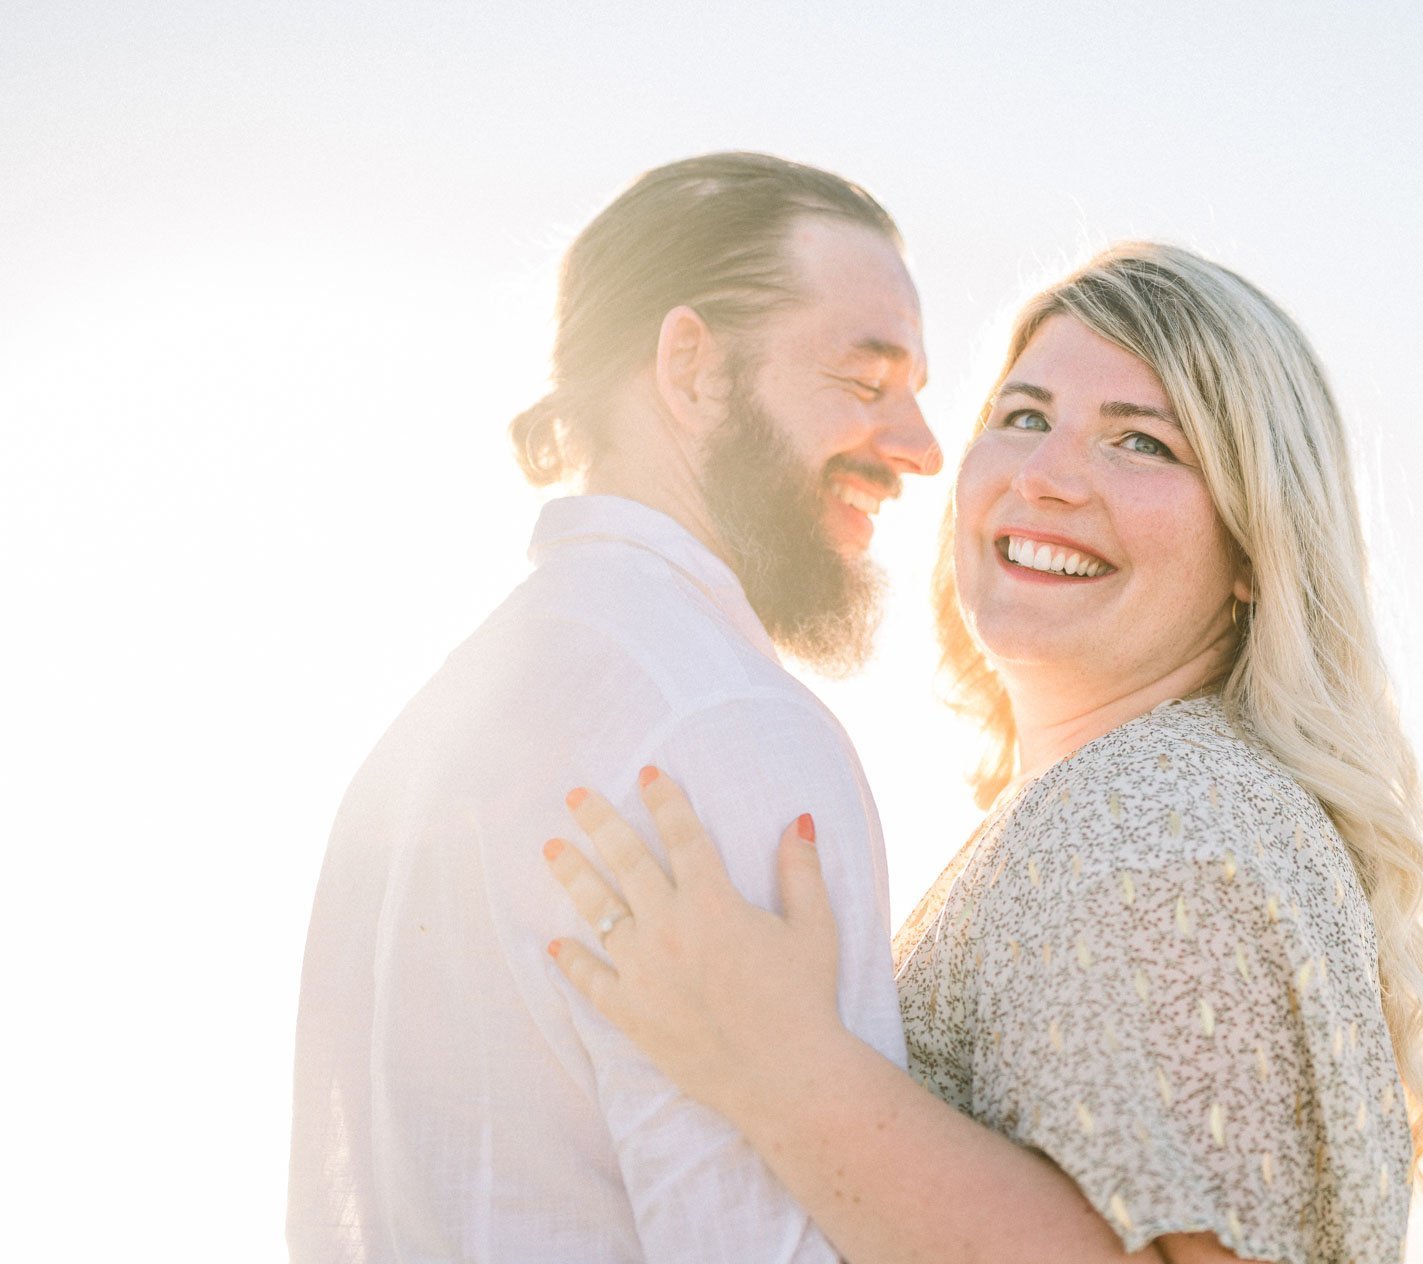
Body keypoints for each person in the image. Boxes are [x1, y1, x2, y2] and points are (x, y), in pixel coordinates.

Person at [544, 242, 1423, 1264]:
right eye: (1022, 417)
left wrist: (777, 1061)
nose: (1047, 476)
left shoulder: (1157, 819)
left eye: (1142, 442)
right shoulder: (1149, 805)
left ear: (1254, 545)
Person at [289, 152, 941, 1262]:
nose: (921, 448)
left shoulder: (424, 738)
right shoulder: (727, 728)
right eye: (864, 382)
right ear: (690, 365)